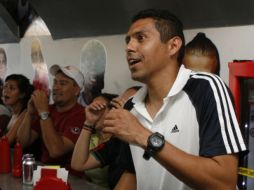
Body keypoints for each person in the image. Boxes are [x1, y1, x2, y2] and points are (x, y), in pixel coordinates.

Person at [102, 9, 247, 190]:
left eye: (140, 38)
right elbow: (132, 175)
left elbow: (223, 182)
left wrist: (143, 136)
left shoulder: (206, 88)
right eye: (128, 40)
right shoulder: (132, 106)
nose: (129, 47)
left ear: (173, 46)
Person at [17, 64, 85, 174]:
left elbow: (56, 151)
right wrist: (29, 113)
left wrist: (43, 112)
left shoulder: (82, 115)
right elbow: (21, 142)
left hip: (70, 177)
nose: (56, 87)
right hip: (44, 171)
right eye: (55, 82)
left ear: (77, 90)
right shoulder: (49, 109)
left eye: (62, 83)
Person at [71, 87, 138, 189]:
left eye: (128, 104)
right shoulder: (117, 142)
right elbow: (78, 164)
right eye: (117, 103)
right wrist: (89, 123)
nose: (119, 107)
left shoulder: (145, 145)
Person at [1, 74, 33, 145]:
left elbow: (6, 142)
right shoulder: (12, 114)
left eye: (12, 88)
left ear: (22, 94)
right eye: (5, 87)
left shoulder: (25, 113)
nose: (6, 91)